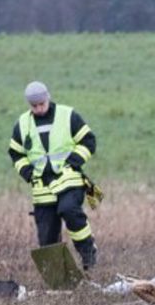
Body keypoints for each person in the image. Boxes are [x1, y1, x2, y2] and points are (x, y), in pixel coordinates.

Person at [8, 81, 99, 270]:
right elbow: (16, 153)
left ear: (48, 98)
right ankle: (59, 279)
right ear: (29, 105)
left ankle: (88, 252)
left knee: (69, 210)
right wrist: (27, 172)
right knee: (47, 237)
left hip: (69, 180)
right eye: (34, 106)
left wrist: (73, 161)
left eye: (42, 104)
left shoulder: (68, 115)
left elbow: (88, 141)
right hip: (42, 188)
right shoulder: (23, 124)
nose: (39, 109)